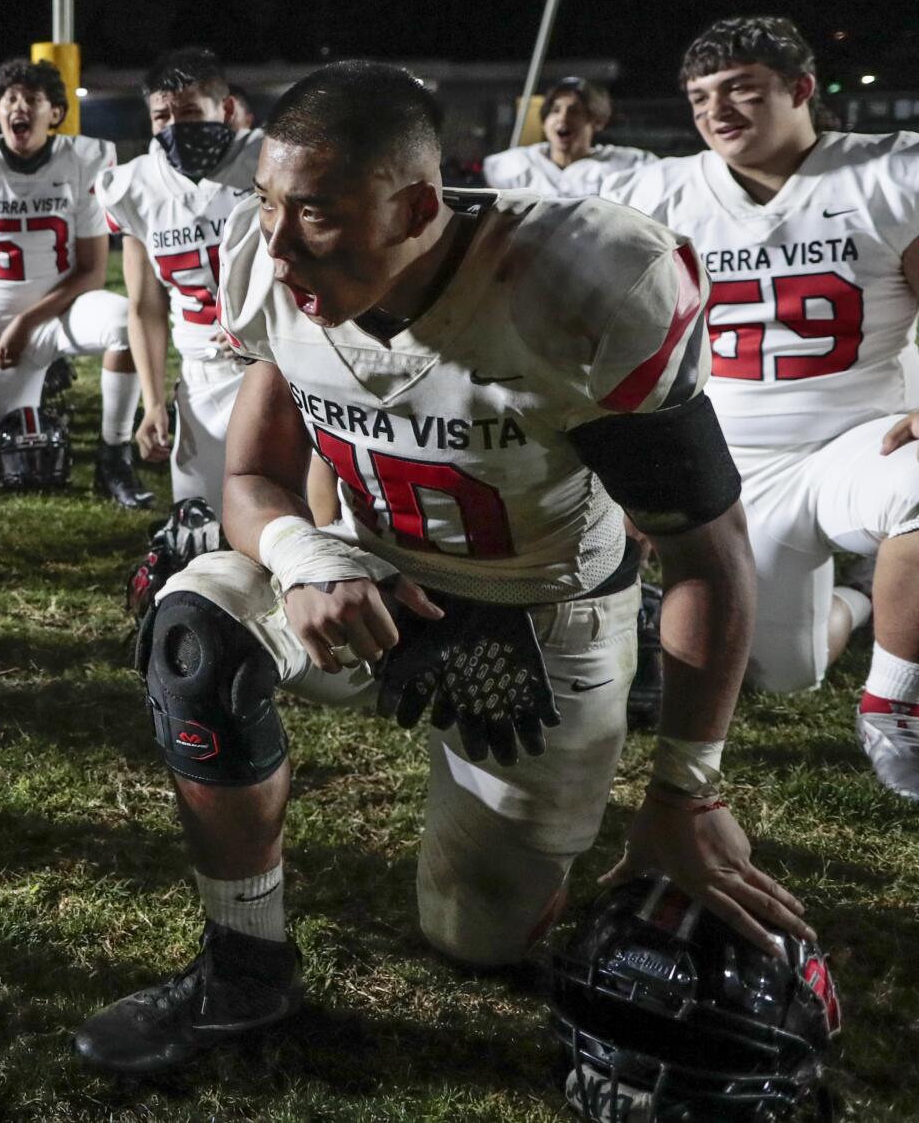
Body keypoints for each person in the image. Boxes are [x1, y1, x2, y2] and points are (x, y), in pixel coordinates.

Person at [73, 61, 812, 1075]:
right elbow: (248, 474)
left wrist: (685, 787)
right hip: (367, 579)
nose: (276, 241)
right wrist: (305, 555)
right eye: (266, 205)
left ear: (417, 205)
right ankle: (243, 966)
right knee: (195, 627)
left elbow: (704, 551)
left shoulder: (573, 282)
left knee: (476, 940)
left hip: (539, 611)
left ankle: (591, 730)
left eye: (317, 214)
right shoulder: (269, 253)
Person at [603, 15, 919, 802]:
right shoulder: (656, 193)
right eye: (701, 96)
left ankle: (895, 703)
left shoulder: (883, 176)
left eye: (742, 89)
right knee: (786, 673)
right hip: (725, 467)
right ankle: (855, 596)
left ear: (801, 89)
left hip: (859, 440)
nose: (718, 110)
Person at [0, 59, 150, 506]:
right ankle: (40, 387)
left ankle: (114, 457)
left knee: (126, 324)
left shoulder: (81, 161)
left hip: (59, 315)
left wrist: (26, 322)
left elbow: (91, 268)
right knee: (16, 453)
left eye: (33, 99)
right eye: (11, 98)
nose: (20, 107)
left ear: (55, 113)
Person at [101, 47, 262, 509]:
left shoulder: (270, 161)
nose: (175, 126)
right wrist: (153, 402)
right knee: (196, 528)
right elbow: (144, 305)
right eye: (161, 116)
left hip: (277, 371)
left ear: (226, 109)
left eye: (190, 111)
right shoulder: (134, 186)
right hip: (201, 376)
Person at [482, 77, 654, 197]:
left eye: (574, 111)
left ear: (597, 121)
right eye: (555, 110)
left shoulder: (629, 166)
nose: (563, 118)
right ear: (544, 120)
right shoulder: (513, 165)